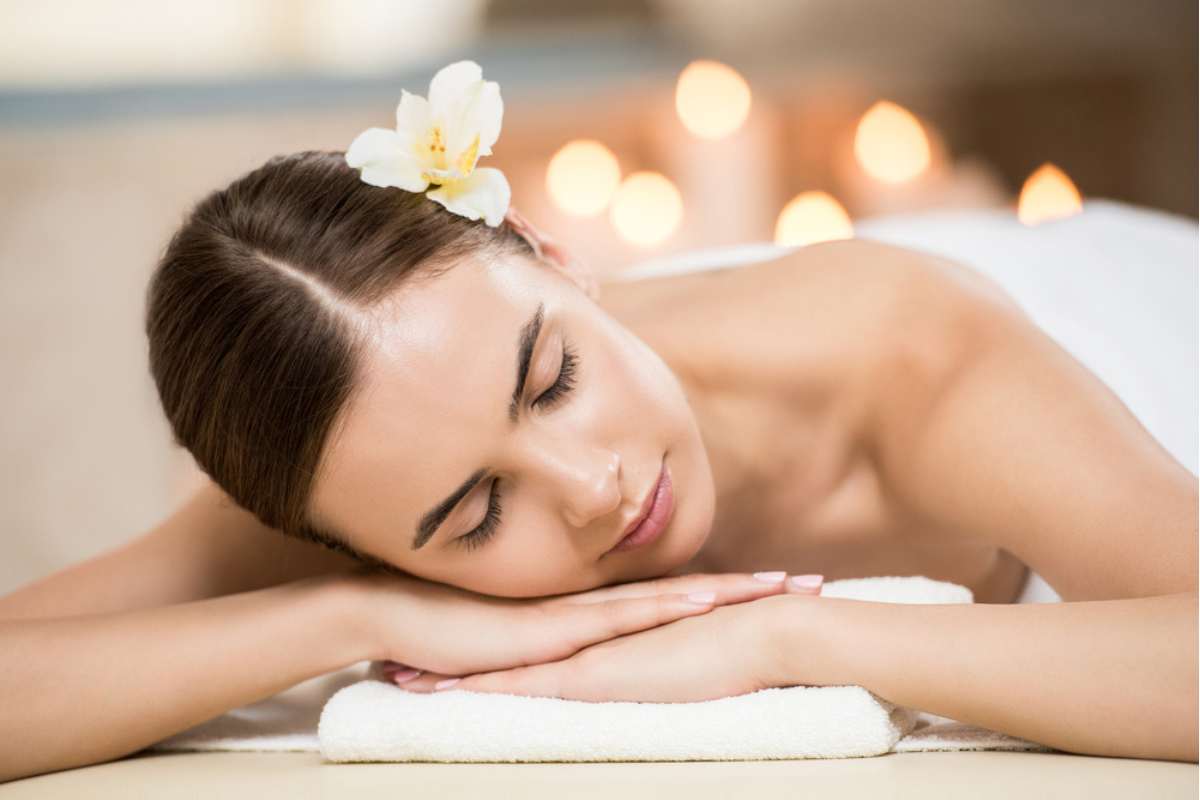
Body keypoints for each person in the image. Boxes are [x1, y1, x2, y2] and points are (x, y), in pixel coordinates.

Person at [2, 88, 1196, 783]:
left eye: (553, 376)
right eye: (474, 516)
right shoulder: (372, 464)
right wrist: (346, 615)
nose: (592, 488)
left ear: (553, 252)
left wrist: (787, 636)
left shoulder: (902, 345)